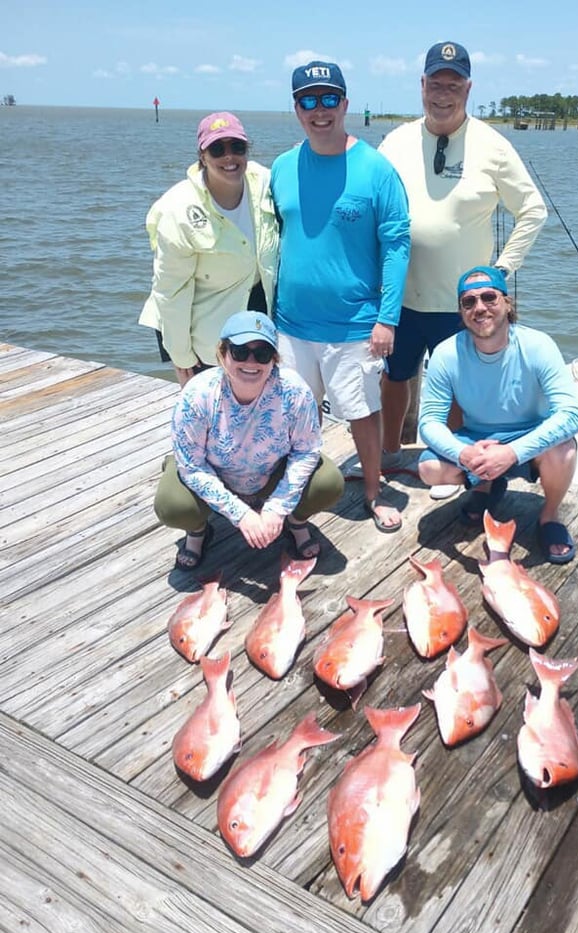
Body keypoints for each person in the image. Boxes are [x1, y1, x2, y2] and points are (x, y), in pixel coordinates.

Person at [378, 42, 548, 486]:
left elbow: (533, 210)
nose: (443, 93)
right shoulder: (395, 141)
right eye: (436, 83)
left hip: (462, 302)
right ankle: (390, 451)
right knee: (394, 377)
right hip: (401, 295)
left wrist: (502, 271)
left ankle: (450, 464)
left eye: (453, 84)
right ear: (422, 86)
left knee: (456, 385)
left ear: (468, 89)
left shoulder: (493, 145)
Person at [270, 61, 411, 533]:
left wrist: (386, 318)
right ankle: (294, 492)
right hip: (290, 323)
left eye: (329, 99)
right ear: (296, 109)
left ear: (346, 104)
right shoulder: (283, 167)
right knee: (292, 417)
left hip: (355, 324)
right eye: (308, 101)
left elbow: (396, 246)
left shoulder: (376, 169)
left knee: (362, 415)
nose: (319, 110)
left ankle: (373, 492)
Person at [154, 310, 345, 570]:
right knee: (173, 505)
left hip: (269, 474)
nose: (251, 362)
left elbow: (306, 451)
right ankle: (198, 532)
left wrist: (277, 507)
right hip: (215, 471)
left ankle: (295, 522)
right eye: (240, 352)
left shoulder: (295, 390)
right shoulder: (197, 394)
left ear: (274, 359)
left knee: (329, 481)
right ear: (223, 354)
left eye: (262, 353)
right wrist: (240, 513)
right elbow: (192, 466)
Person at [417, 267, 578, 564]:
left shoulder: (538, 345)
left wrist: (512, 453)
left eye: (489, 297)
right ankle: (486, 485)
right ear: (461, 311)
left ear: (508, 303)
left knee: (565, 450)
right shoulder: (445, 353)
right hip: (476, 438)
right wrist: (464, 453)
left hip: (530, 436)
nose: (479, 308)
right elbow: (429, 421)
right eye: (469, 302)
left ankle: (549, 516)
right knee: (429, 468)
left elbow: (571, 415)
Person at [139, 112, 279, 388]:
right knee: (213, 421)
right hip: (203, 337)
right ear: (202, 156)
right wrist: (181, 357)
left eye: (237, 147)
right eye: (217, 149)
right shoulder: (177, 209)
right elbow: (170, 293)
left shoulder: (264, 182)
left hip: (257, 327)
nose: (229, 157)